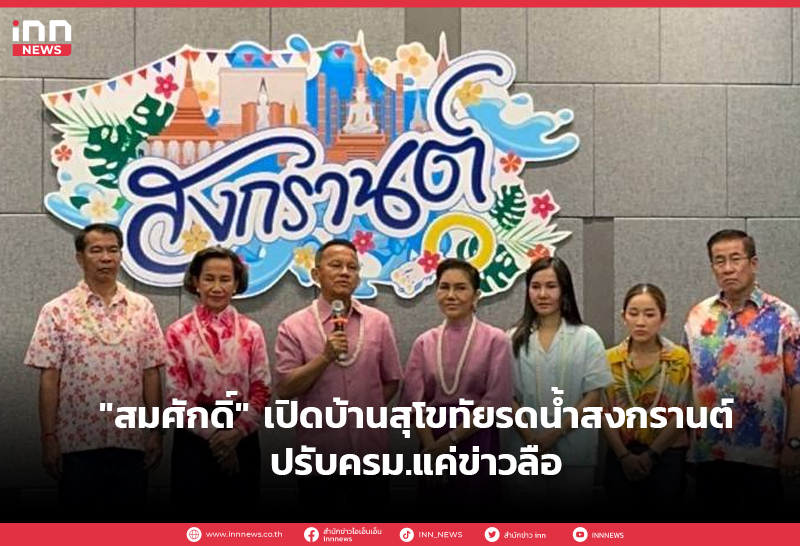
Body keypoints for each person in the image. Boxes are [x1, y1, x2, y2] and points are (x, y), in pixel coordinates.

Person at [23, 223, 166, 513]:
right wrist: (48, 437)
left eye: (113, 250)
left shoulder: (142, 308)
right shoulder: (57, 310)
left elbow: (151, 372)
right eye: (96, 250)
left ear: (121, 255)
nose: (105, 258)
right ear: (80, 258)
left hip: (130, 441)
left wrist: (156, 431)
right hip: (76, 443)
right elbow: (49, 378)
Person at [274, 239, 403, 515]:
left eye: (352, 267)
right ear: (316, 274)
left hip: (371, 453)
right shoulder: (293, 326)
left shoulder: (378, 321)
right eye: (335, 265)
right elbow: (284, 389)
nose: (345, 272)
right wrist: (324, 357)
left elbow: (392, 380)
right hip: (318, 455)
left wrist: (365, 411)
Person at [683, 229, 800, 514]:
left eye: (735, 259)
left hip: (765, 454)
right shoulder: (698, 316)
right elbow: (686, 382)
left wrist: (794, 443)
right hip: (710, 451)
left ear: (753, 263)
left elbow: (796, 383)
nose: (727, 268)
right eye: (719, 261)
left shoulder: (782, 316)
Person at [400, 258, 512, 516]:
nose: (451, 295)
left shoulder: (495, 340)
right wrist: (433, 450)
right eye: (444, 287)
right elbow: (414, 405)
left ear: (476, 296)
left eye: (461, 288)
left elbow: (495, 401)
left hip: (477, 437)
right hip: (431, 437)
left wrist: (449, 441)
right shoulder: (424, 342)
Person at [165, 246, 270, 514]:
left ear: (236, 284)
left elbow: (261, 389)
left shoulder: (252, 331)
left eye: (225, 279)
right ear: (195, 282)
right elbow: (176, 396)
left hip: (241, 431)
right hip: (193, 435)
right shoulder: (178, 331)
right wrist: (217, 438)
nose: (216, 287)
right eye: (209, 278)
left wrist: (235, 433)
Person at [506, 257, 612, 513]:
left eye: (551, 286)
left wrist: (554, 434)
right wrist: (532, 438)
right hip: (524, 451)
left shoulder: (587, 338)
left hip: (574, 451)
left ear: (564, 290)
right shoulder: (511, 339)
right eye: (535, 286)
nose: (542, 294)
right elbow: (507, 397)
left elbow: (593, 397)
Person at [602, 283, 691, 511]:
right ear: (623, 317)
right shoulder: (609, 360)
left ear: (663, 319)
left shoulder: (678, 359)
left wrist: (652, 455)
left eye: (649, 314)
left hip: (667, 455)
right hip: (622, 454)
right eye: (633, 313)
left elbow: (682, 412)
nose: (640, 322)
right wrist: (624, 456)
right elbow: (603, 413)